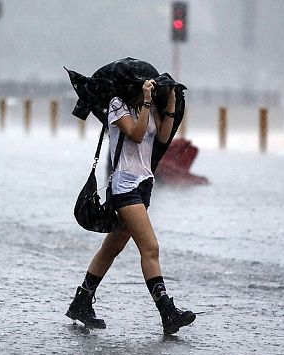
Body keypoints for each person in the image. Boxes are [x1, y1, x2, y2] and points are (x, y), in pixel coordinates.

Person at [66, 79, 196, 335]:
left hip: (144, 184)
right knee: (150, 247)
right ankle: (166, 312)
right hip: (125, 186)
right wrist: (146, 101)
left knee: (112, 247)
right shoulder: (117, 105)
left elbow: (163, 135)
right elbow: (136, 134)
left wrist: (169, 100)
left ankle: (81, 301)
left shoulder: (148, 107)